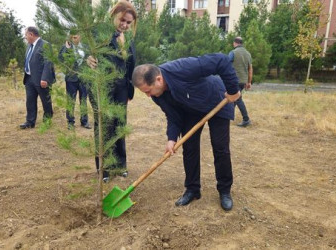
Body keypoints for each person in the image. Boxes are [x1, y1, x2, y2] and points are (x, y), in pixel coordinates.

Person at [131, 53, 241, 211]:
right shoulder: (157, 95)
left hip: (217, 99)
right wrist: (171, 138)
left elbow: (221, 61)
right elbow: (173, 116)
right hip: (191, 109)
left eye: (148, 91)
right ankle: (192, 189)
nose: (149, 96)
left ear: (158, 80)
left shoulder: (182, 68)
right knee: (189, 147)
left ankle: (224, 191)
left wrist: (233, 89)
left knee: (220, 147)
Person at [86, 0, 137, 182]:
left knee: (120, 126)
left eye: (128, 23)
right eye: (122, 20)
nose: (124, 25)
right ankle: (104, 169)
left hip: (122, 90)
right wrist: (87, 58)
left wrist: (130, 90)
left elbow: (131, 65)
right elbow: (87, 51)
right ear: (114, 16)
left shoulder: (129, 39)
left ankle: (120, 164)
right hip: (104, 89)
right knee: (105, 127)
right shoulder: (101, 34)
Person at [20, 26, 55, 129]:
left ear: (31, 34)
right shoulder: (29, 46)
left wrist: (44, 78)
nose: (25, 37)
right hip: (29, 78)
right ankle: (30, 122)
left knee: (46, 101)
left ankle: (47, 121)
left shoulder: (45, 45)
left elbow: (48, 63)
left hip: (41, 79)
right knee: (30, 101)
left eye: (26, 34)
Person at [58, 32, 91, 130]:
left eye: (75, 37)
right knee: (70, 101)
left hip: (84, 78)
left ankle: (84, 121)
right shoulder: (66, 47)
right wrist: (67, 49)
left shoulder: (86, 47)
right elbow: (60, 59)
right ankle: (70, 122)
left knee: (84, 100)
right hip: (71, 79)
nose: (74, 39)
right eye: (72, 37)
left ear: (80, 36)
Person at [228, 36, 252, 127]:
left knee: (237, 99)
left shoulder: (233, 53)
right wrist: (249, 82)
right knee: (233, 98)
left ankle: (246, 119)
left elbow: (226, 64)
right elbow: (250, 69)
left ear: (235, 43)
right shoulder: (248, 54)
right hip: (243, 81)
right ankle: (229, 116)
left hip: (235, 80)